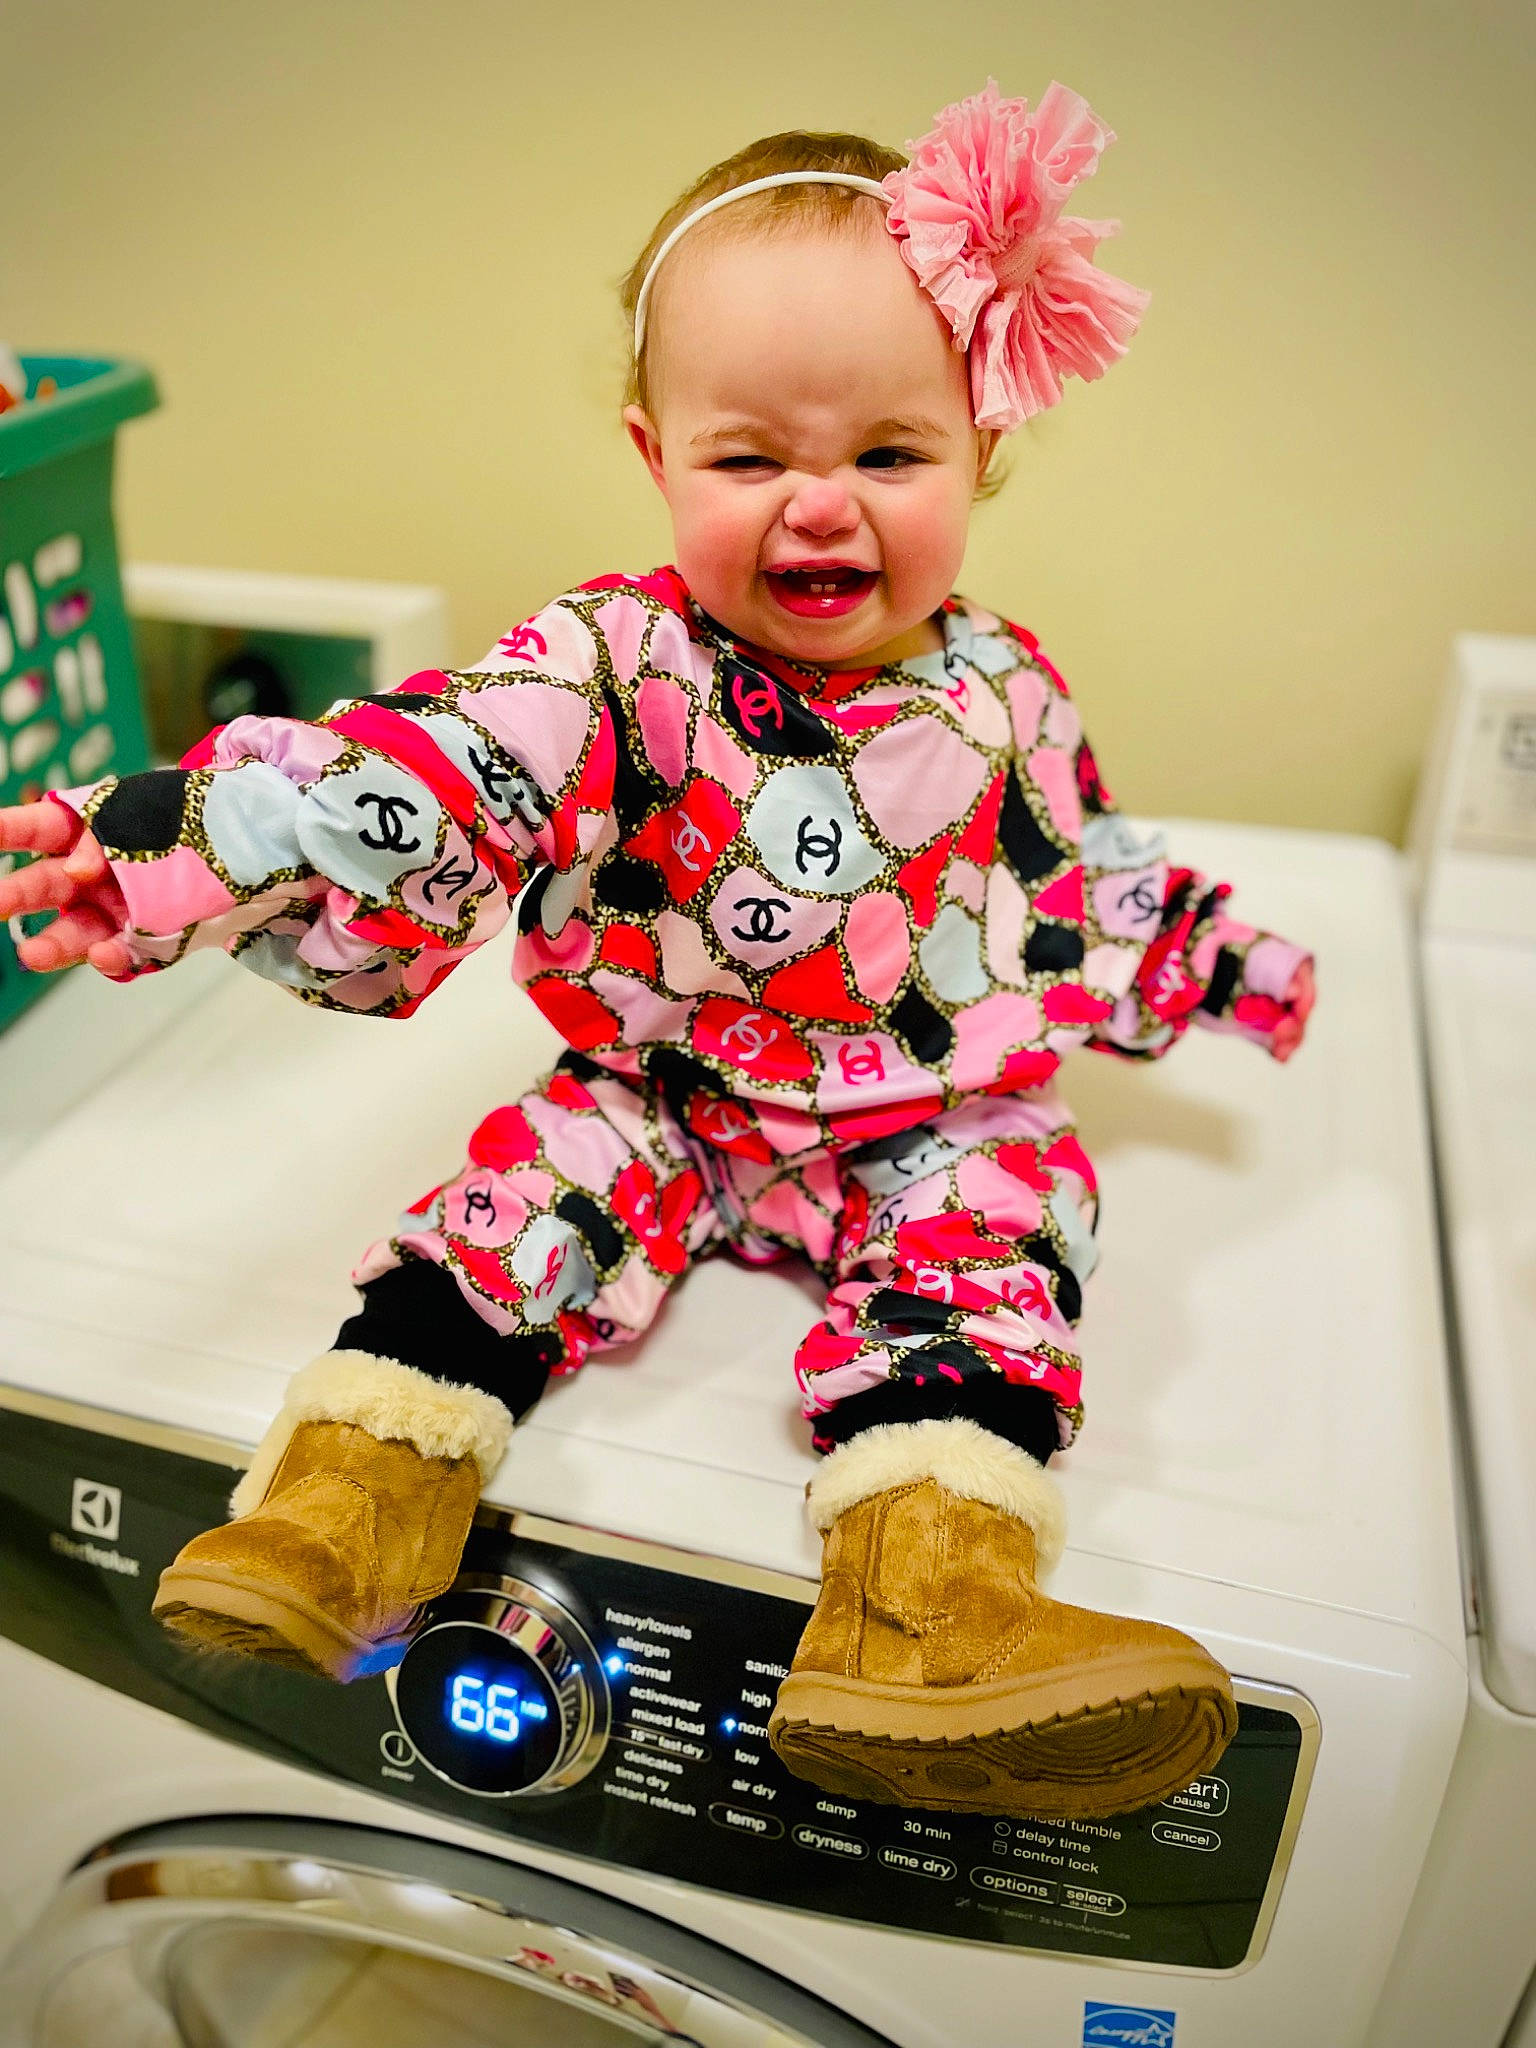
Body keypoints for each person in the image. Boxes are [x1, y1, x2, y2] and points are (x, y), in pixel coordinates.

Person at [0, 81, 1313, 1819]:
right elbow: (412, 777)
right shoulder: (612, 668)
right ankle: (339, 1514)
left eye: (890, 456)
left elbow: (1081, 879)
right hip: (665, 1085)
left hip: (925, 1117)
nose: (822, 507)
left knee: (1004, 1221)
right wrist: (172, 853)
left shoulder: (1008, 693)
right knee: (513, 1207)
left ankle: (931, 1624)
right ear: (656, 454)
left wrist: (1237, 969)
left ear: (984, 448)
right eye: (752, 455)